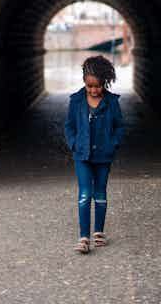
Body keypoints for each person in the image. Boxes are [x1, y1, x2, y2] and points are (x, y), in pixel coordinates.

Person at [64, 55, 125, 253]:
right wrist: (73, 144)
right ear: (84, 82)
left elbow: (119, 127)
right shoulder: (76, 101)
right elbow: (69, 126)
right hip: (82, 155)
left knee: (100, 193)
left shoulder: (112, 103)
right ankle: (83, 237)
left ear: (104, 82)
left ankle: (98, 232)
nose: (93, 90)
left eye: (97, 86)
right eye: (90, 86)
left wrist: (112, 144)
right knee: (84, 194)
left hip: (103, 157)